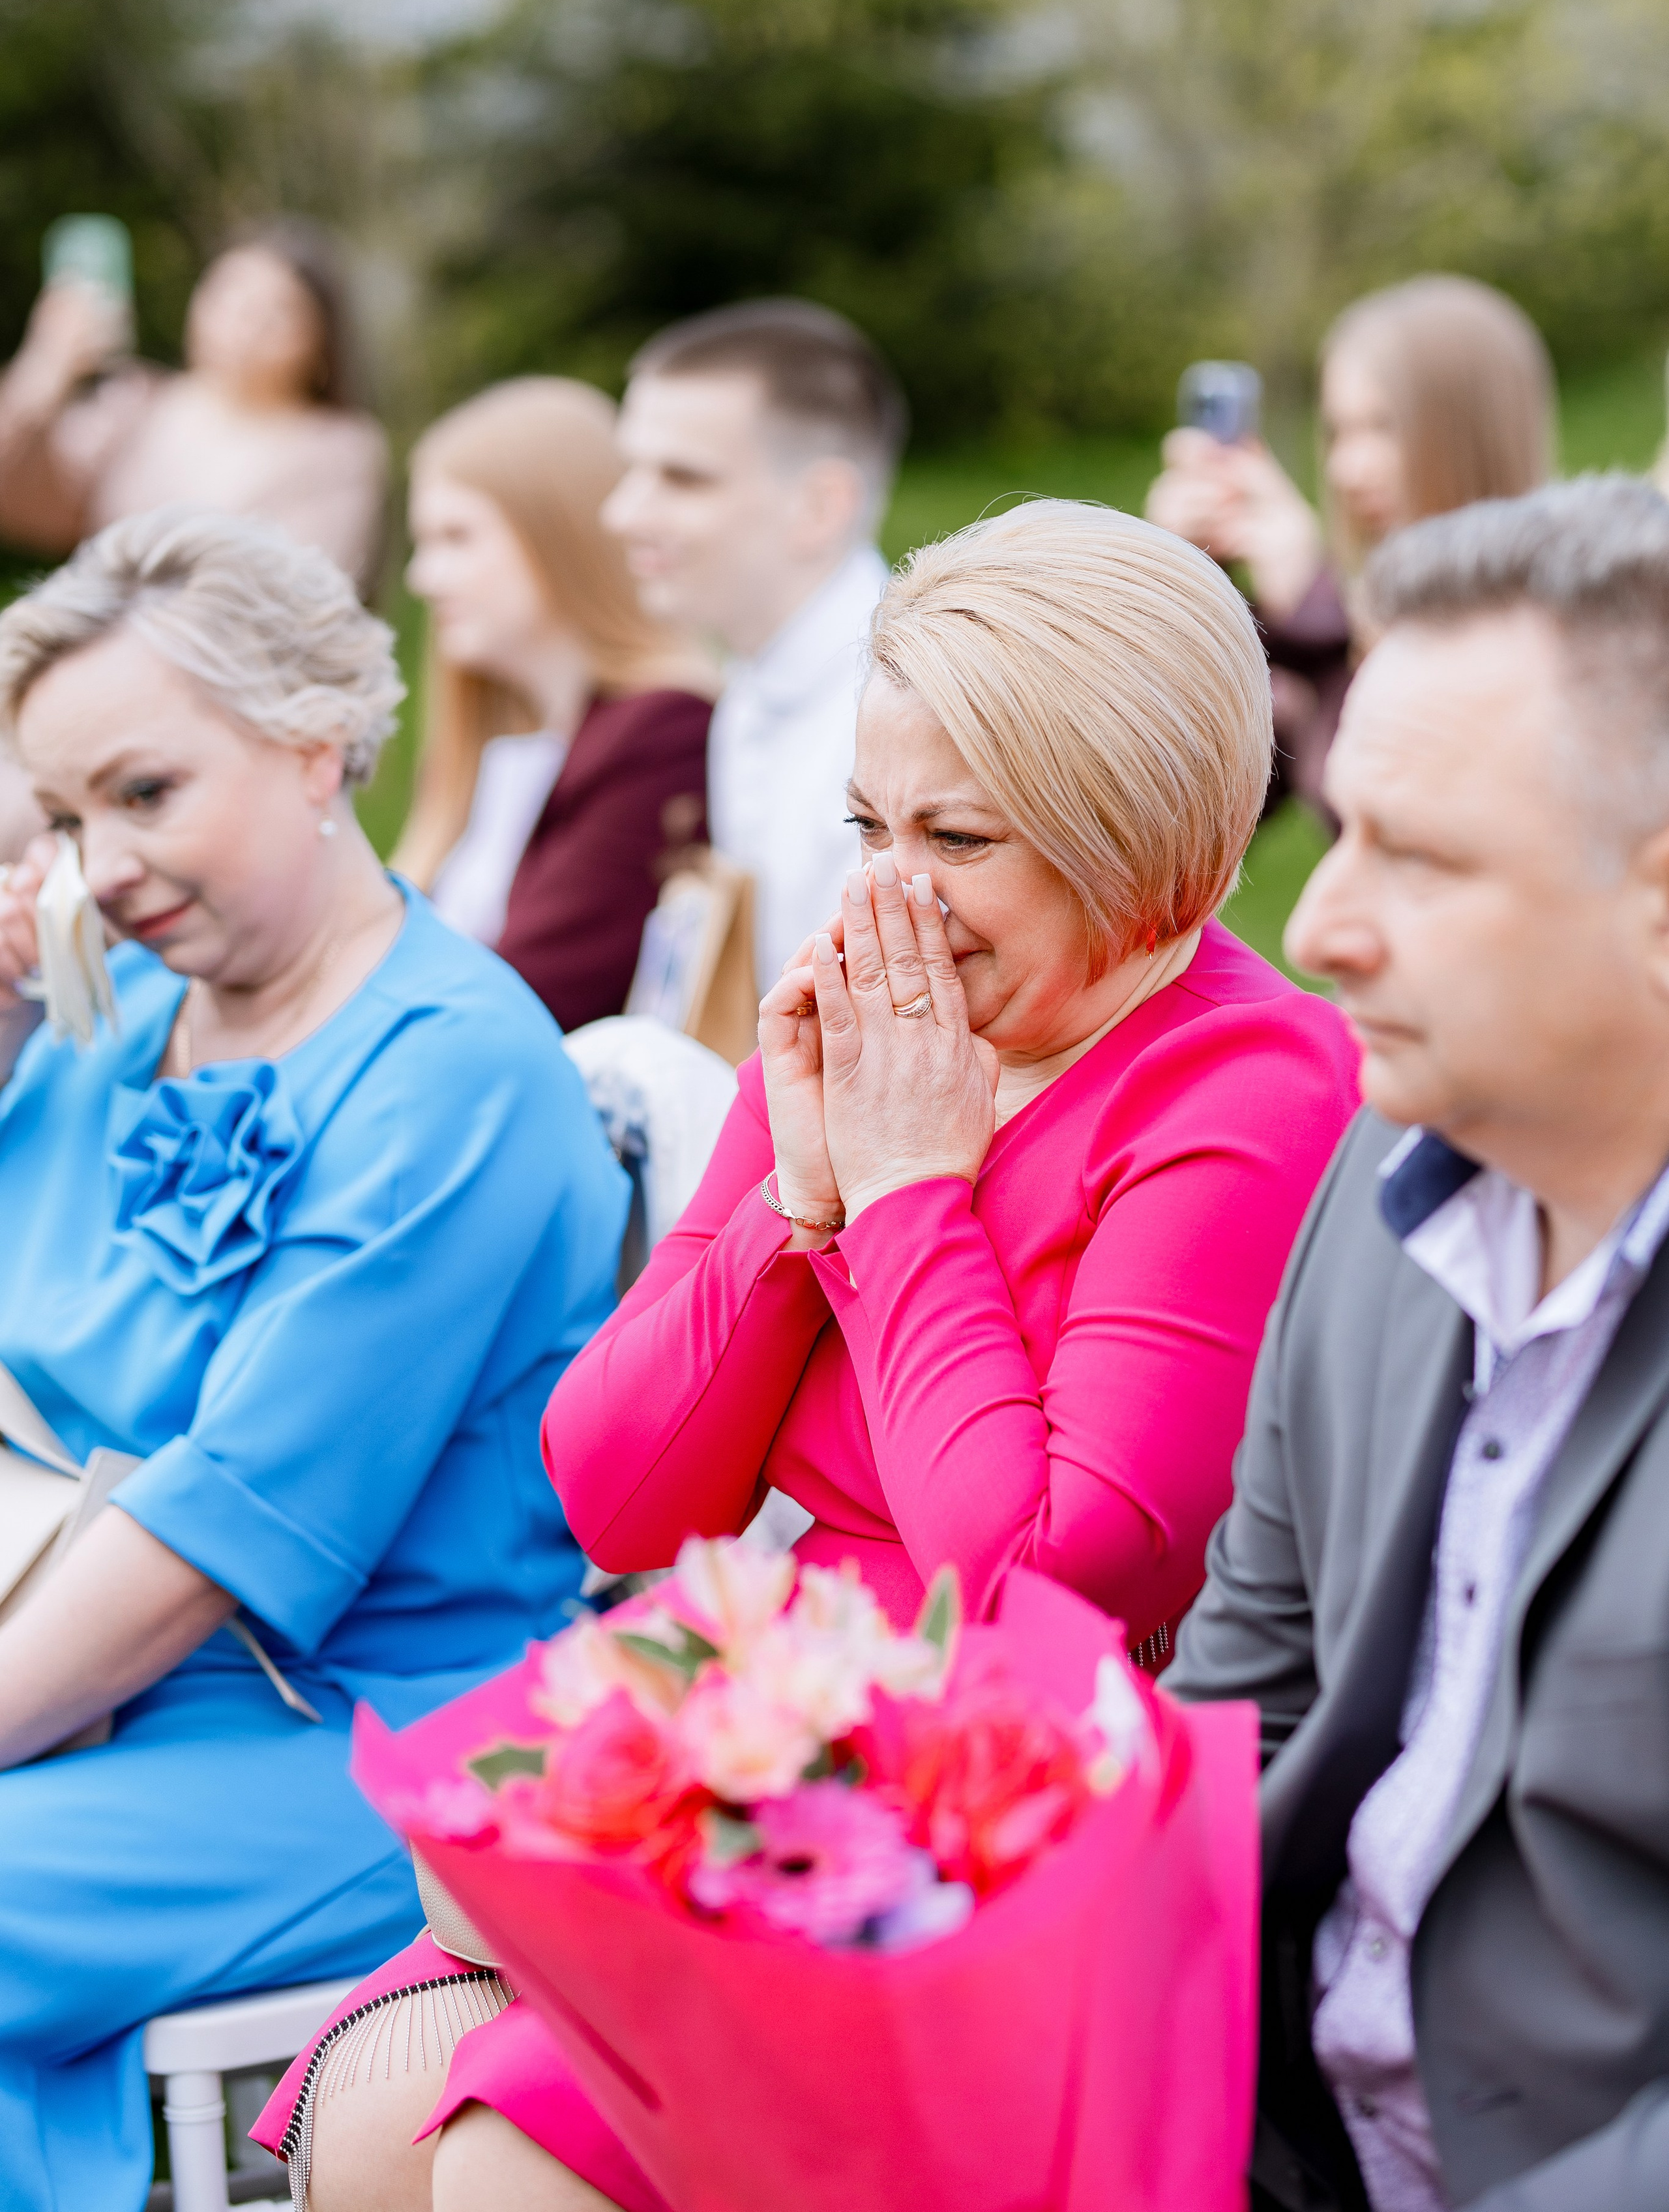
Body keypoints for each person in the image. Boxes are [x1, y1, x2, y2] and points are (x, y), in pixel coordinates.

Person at [274, 498, 1361, 2212]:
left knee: (500, 2157)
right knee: (377, 2100)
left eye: (961, 836)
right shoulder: (879, 1017)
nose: (892, 895)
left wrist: (916, 1192)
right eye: (869, 823)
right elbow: (620, 1496)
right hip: (796, 1700)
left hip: (1040, 1799)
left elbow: (1037, 1576)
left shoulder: (1248, 1091)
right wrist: (799, 1197)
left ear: (1145, 835)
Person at [0, 509, 628, 2212]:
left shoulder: (452, 1078)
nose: (104, 868)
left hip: (362, 1742)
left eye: (144, 795)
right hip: (86, 1669)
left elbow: (217, 1539)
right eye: (66, 819)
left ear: (315, 738)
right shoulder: (111, 1016)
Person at [1168, 475, 1669, 2212]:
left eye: (1425, 858)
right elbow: (1237, 1704)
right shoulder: (1382, 1193)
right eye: (1340, 828)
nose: (1317, 930)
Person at [1146, 274, 1554, 820]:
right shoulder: (1351, 621)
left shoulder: (1560, 622)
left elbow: (1420, 803)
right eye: (1339, 433)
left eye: (1383, 428)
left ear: (1475, 430)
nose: (1346, 469)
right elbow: (1180, 818)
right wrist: (1182, 585)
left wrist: (1313, 605)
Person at [602, 296, 904, 997]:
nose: (620, 514)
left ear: (818, 507)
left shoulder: (900, 718)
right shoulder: (754, 684)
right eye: (631, 471)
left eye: (681, 477)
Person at [393, 378, 716, 1031]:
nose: (422, 578)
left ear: (558, 534)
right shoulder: (496, 746)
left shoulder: (662, 734)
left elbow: (528, 998)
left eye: (457, 537)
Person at [0, 216, 388, 590]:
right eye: (229, 294)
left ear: (321, 346)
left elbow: (304, 597)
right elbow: (20, 506)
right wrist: (43, 373)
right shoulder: (136, 404)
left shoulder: (339, 451)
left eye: (276, 312)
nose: (244, 323)